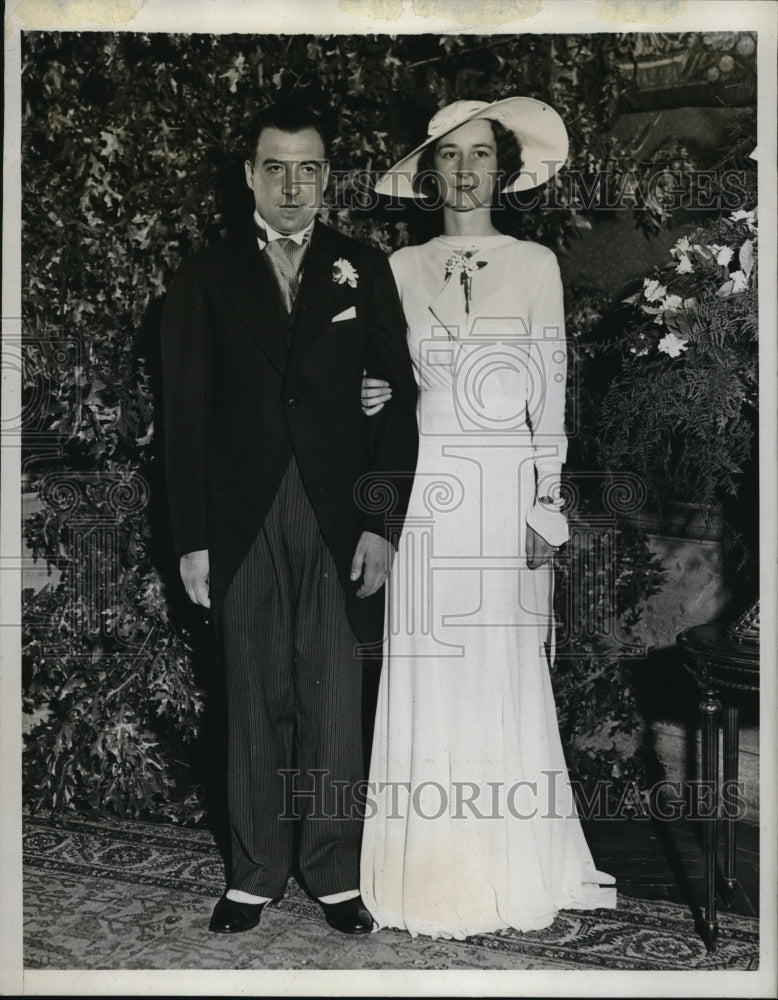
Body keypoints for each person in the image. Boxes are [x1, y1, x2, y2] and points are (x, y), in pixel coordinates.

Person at [358, 98, 617, 939]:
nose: (465, 171)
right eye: (449, 156)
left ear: (501, 170)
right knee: (429, 664)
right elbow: (381, 383)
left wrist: (546, 512)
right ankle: (427, 876)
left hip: (504, 488)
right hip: (428, 492)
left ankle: (509, 866)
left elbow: (551, 394)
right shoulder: (395, 268)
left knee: (501, 663)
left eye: (480, 155)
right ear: (430, 171)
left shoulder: (535, 263)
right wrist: (372, 395)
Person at [161, 102, 419, 936]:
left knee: (336, 693)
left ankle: (334, 872)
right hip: (240, 516)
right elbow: (184, 414)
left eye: (309, 168)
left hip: (338, 513)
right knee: (251, 691)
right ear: (250, 175)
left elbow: (394, 401)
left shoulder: (362, 266)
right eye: (276, 167)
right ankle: (254, 871)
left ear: (327, 176)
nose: (293, 185)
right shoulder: (203, 277)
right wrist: (193, 539)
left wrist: (382, 525)